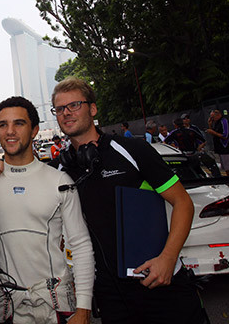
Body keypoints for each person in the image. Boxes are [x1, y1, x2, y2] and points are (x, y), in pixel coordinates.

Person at [48, 77, 208, 324]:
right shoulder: (59, 169)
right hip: (110, 294)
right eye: (60, 109)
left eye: (74, 105)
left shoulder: (133, 150)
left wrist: (168, 258)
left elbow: (182, 202)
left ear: (92, 109)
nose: (66, 113)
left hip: (159, 280)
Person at [0, 96, 94, 324]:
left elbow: (80, 244)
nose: (10, 131)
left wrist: (84, 308)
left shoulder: (60, 180)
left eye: (19, 123)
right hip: (9, 306)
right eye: (3, 125)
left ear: (35, 130)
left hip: (56, 304)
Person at [206, 109, 229, 175]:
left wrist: (213, 132)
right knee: (225, 168)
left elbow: (225, 135)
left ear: (218, 115)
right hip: (220, 148)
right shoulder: (217, 123)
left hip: (226, 148)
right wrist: (210, 125)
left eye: (213, 117)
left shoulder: (224, 121)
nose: (212, 119)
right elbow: (214, 134)